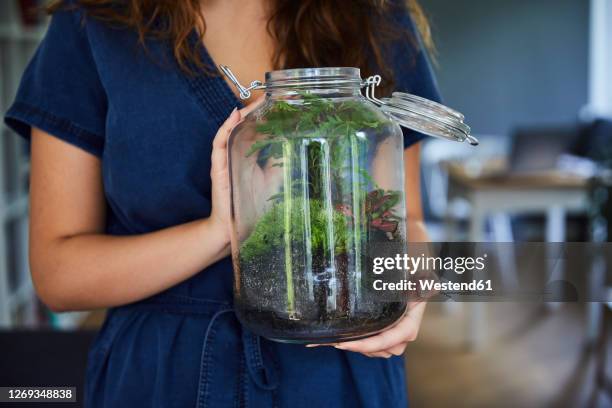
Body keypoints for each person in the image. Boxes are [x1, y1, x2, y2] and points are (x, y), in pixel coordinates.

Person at [4, 0, 439, 406]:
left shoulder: (375, 16)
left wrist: (417, 280)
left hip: (341, 371)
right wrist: (223, 229)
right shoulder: (94, 22)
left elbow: (408, 222)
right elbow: (58, 276)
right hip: (163, 374)